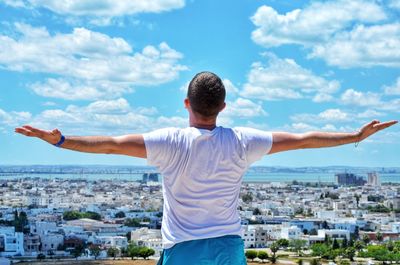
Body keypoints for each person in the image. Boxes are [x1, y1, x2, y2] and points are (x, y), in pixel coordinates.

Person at [15, 72, 397, 265]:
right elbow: (303, 138)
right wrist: (354, 137)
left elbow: (110, 144)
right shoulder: (244, 141)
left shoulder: (169, 142)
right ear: (223, 106)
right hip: (229, 246)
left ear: (186, 103)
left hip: (183, 249)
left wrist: (62, 141)